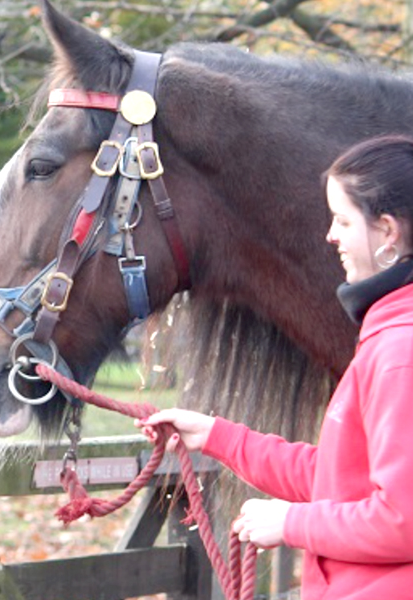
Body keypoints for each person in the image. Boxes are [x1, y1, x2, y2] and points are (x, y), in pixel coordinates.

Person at [140, 134, 413, 600]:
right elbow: (337, 477)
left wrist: (290, 522)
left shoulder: (400, 354)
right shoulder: (387, 338)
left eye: (343, 220)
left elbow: (401, 522)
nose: (331, 235)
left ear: (387, 232)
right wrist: (215, 436)